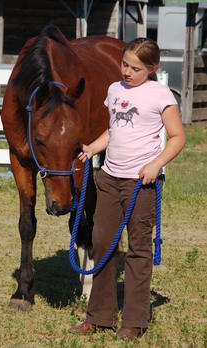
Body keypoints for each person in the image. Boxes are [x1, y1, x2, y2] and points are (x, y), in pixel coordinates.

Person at [69, 38, 186, 341]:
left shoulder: (160, 95)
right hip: (108, 179)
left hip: (141, 184)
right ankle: (100, 316)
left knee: (138, 250)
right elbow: (114, 129)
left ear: (152, 68)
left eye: (136, 68)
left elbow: (177, 137)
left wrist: (155, 165)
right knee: (102, 244)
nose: (128, 72)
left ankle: (134, 320)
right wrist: (93, 147)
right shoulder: (114, 90)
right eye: (124, 65)